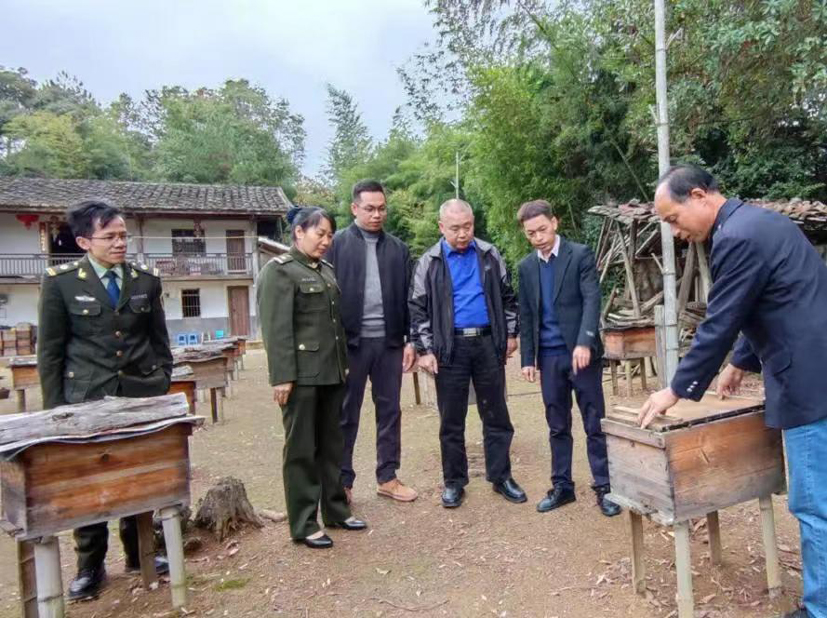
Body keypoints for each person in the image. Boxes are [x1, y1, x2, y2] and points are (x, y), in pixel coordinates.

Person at [636, 165, 827, 618]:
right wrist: (741, 362)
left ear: (698, 195)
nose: (675, 232)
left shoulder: (736, 238)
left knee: (814, 504)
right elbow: (771, 301)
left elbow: (721, 321)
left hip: (809, 383)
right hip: (817, 365)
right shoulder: (762, 222)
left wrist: (675, 390)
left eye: (673, 219)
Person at [37, 200, 173, 600]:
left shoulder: (145, 280)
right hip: (87, 399)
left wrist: (161, 379)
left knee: (140, 478)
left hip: (139, 395)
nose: (119, 243)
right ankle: (90, 566)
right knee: (90, 484)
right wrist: (56, 410)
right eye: (109, 236)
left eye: (123, 235)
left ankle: (139, 552)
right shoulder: (61, 283)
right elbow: (51, 353)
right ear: (84, 241)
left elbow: (159, 339)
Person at [257, 207, 367, 549]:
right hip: (301, 378)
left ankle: (336, 509)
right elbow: (276, 330)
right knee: (302, 450)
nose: (326, 241)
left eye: (330, 235)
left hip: (330, 373)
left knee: (332, 445)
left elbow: (334, 326)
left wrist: (342, 364)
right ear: (299, 232)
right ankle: (304, 523)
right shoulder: (279, 272)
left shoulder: (326, 271)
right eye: (320, 234)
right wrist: (282, 377)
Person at [409, 199, 526, 508]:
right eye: (455, 228)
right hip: (450, 348)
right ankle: (454, 481)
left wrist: (511, 334)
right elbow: (417, 308)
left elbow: (508, 297)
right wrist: (424, 349)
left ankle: (501, 476)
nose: (462, 234)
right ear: (441, 227)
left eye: (468, 227)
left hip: (488, 343)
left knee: (496, 414)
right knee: (451, 419)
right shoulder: (429, 262)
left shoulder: (489, 254)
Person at [516, 200, 621, 517]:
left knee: (594, 422)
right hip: (549, 358)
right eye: (531, 233)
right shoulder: (526, 268)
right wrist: (527, 358)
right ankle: (562, 486)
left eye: (542, 229)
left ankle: (605, 487)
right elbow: (526, 314)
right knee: (557, 424)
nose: (538, 237)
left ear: (555, 222)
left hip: (581, 355)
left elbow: (591, 299)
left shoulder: (579, 254)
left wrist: (585, 341)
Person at [325, 180, 418, 504]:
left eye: (381, 208)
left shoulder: (398, 249)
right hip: (349, 344)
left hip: (390, 343)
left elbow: (411, 298)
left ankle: (388, 477)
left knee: (390, 410)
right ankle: (342, 482)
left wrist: (411, 340)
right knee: (345, 413)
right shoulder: (336, 245)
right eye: (369, 209)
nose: (377, 214)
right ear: (354, 208)